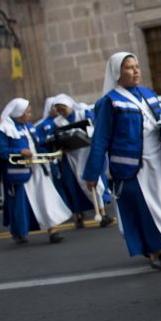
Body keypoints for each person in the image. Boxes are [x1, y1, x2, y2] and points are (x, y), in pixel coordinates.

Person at [83, 52, 161, 271]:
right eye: (129, 67)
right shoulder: (109, 103)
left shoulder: (147, 94)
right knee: (144, 209)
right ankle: (155, 253)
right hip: (133, 167)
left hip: (158, 162)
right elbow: (100, 140)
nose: (136, 70)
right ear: (117, 73)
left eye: (137, 66)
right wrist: (93, 173)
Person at [0, 98, 71, 244]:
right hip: (19, 172)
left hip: (37, 168)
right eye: (27, 112)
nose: (30, 115)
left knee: (45, 198)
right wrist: (19, 151)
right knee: (21, 203)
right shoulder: (3, 129)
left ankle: (52, 230)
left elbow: (37, 145)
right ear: (18, 113)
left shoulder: (27, 126)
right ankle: (19, 231)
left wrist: (54, 148)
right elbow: (0, 150)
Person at [52, 93, 113, 228]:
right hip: (72, 156)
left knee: (96, 182)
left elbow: (94, 127)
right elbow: (54, 139)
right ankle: (82, 213)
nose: (62, 113)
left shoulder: (83, 113)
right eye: (59, 110)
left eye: (63, 109)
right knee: (78, 184)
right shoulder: (57, 122)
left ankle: (102, 212)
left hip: (87, 152)